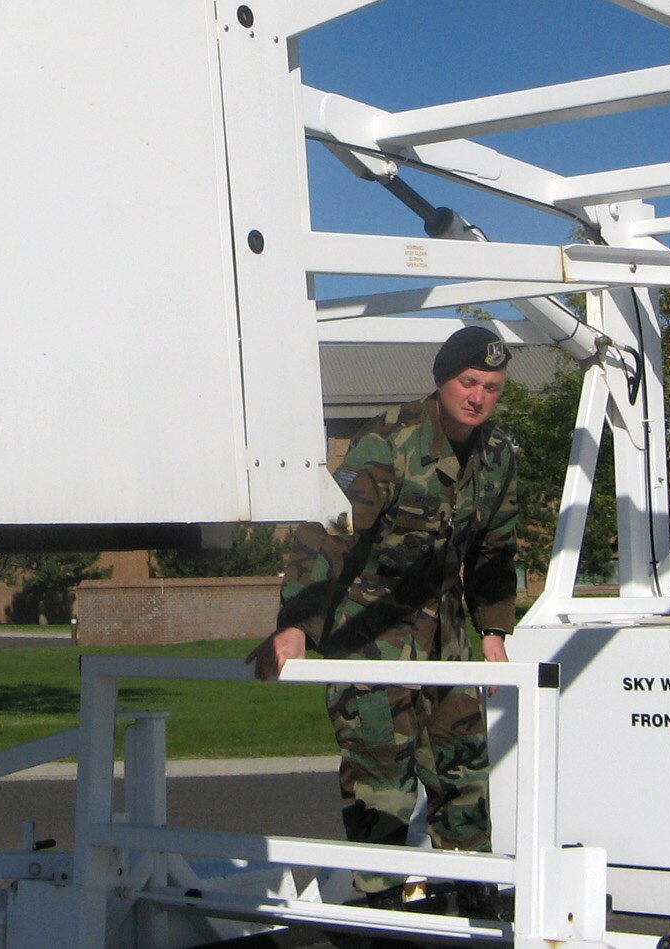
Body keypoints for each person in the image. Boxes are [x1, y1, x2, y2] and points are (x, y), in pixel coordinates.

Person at [246, 324, 518, 930]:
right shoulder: (389, 440)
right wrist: (296, 626)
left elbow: (497, 550)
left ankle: (472, 900)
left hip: (446, 637)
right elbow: (327, 532)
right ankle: (382, 911)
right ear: (442, 382)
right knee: (382, 784)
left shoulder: (499, 455)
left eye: (491, 387)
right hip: (370, 632)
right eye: (467, 382)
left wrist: (493, 636)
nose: (477, 397)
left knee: (464, 771)